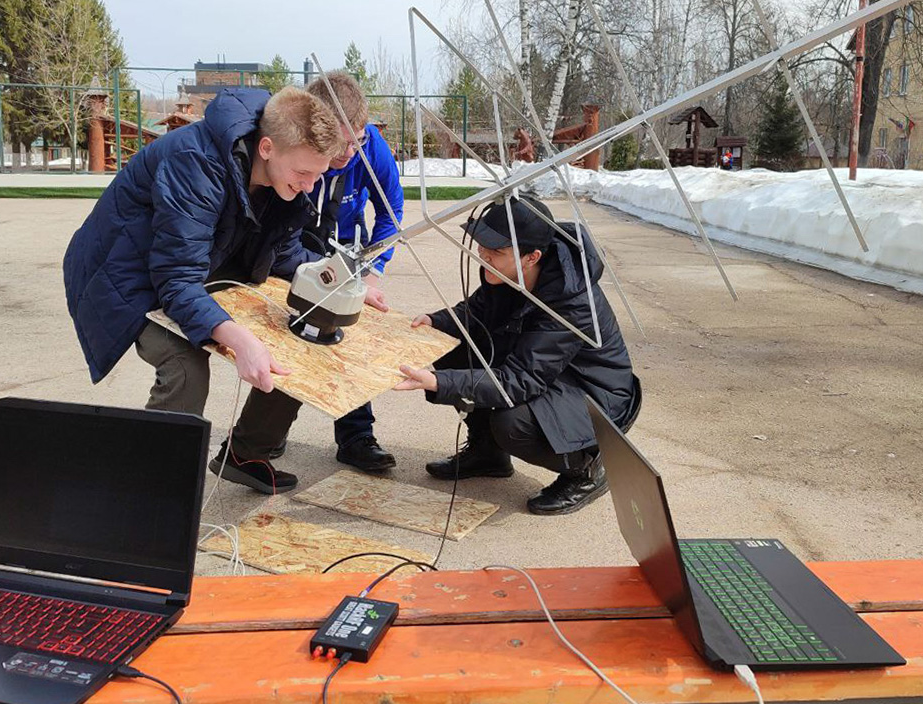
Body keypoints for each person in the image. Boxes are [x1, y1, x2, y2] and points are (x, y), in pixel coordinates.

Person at [63, 86, 345, 493]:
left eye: (318, 175)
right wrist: (237, 338)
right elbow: (176, 282)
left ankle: (246, 454)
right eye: (304, 174)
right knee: (185, 366)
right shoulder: (193, 164)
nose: (309, 186)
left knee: (297, 335)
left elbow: (283, 255)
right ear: (267, 147)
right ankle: (149, 495)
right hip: (125, 275)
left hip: (189, 266)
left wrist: (333, 279)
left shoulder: (280, 177)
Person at [210, 71, 406, 486]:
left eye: (358, 141)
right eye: (341, 143)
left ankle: (356, 436)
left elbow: (391, 213)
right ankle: (261, 440)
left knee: (345, 336)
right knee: (290, 336)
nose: (349, 154)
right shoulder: (293, 152)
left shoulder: (371, 149)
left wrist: (372, 270)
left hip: (346, 257)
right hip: (291, 252)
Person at [394, 196, 642, 515]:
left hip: (594, 396)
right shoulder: (507, 272)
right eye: (482, 247)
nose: (483, 257)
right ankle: (487, 454)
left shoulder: (572, 300)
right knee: (454, 345)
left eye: (496, 252)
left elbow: (520, 381)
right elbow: (477, 312)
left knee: (511, 422)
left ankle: (587, 469)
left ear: (531, 256)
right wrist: (435, 322)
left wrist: (438, 382)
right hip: (549, 374)